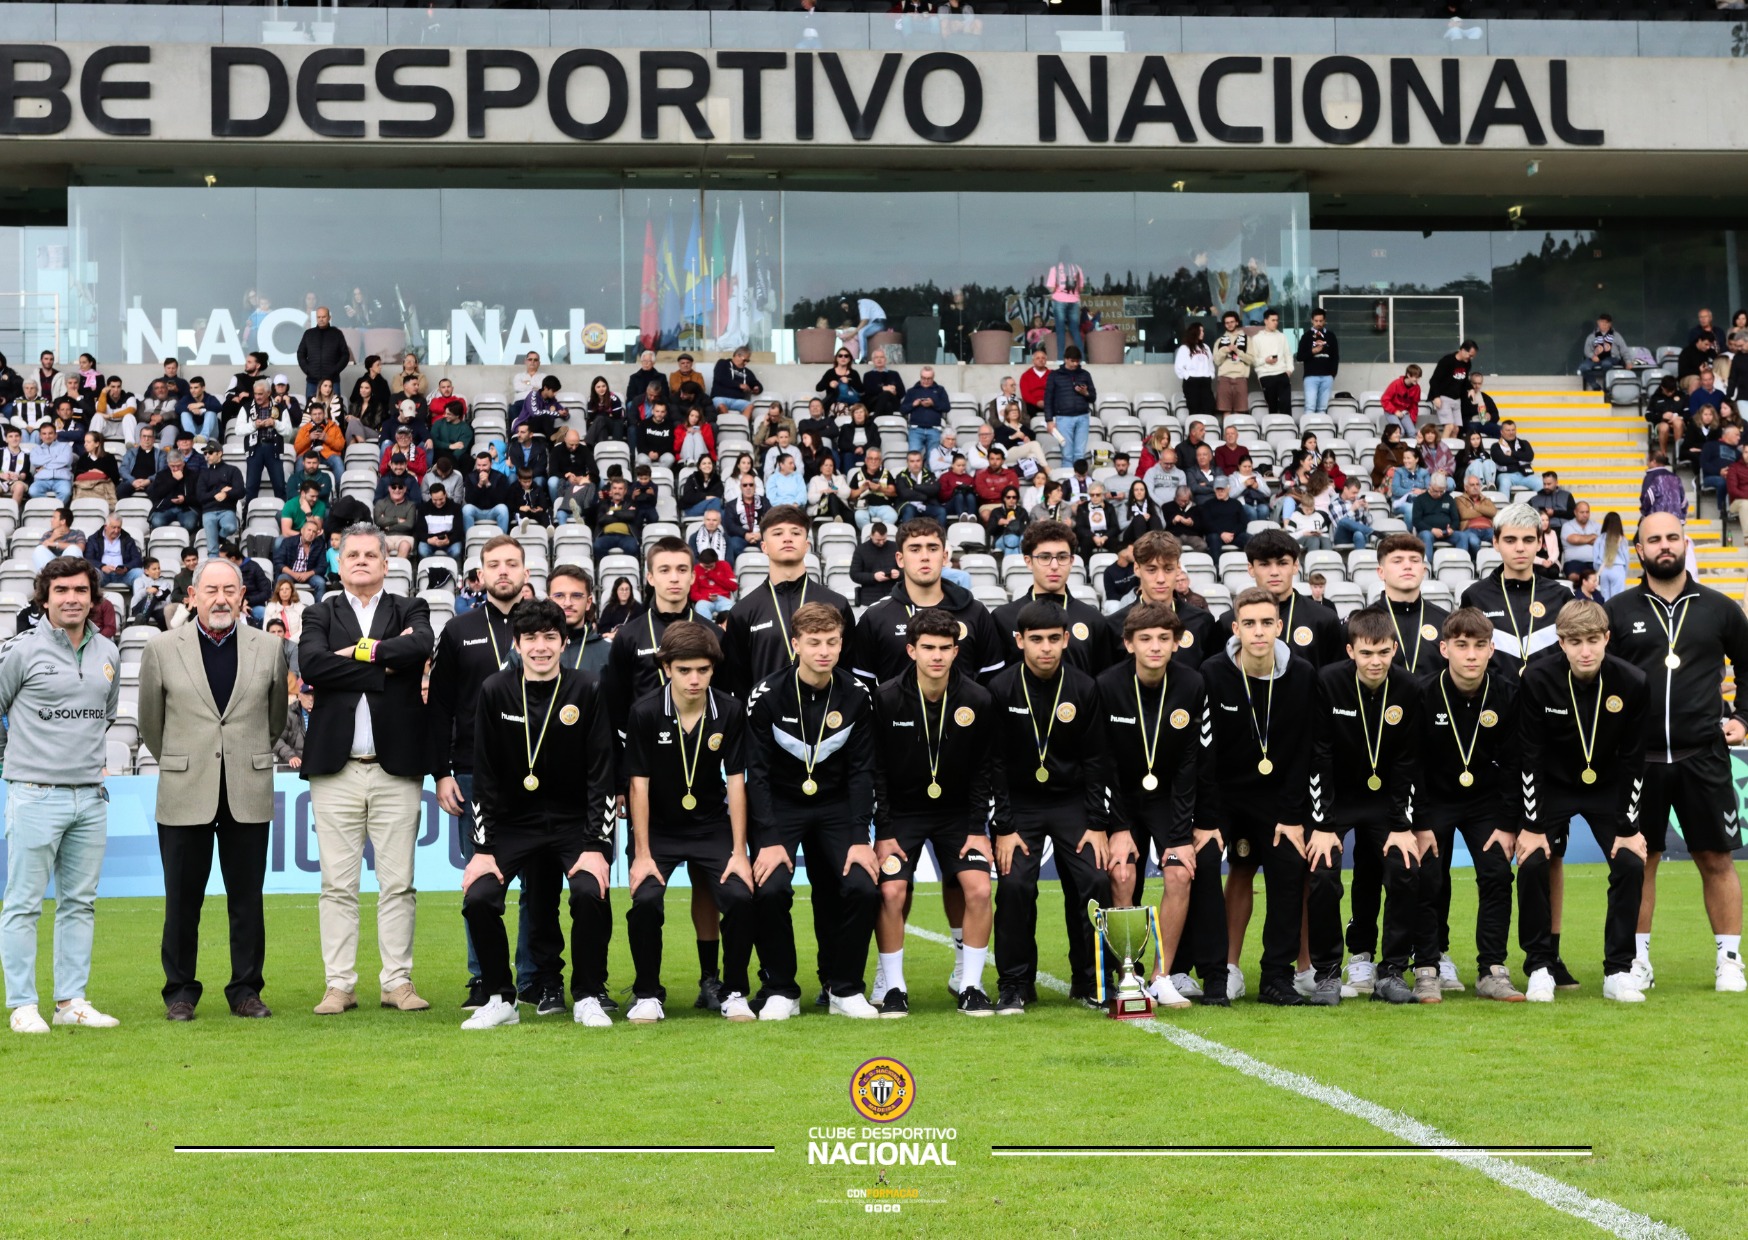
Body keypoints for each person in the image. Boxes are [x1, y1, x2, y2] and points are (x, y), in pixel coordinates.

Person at [137, 557, 289, 1020]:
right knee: (182, 901)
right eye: (211, 590)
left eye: (229, 590)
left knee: (247, 901)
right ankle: (180, 992)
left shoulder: (270, 648)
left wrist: (242, 754)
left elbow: (275, 720)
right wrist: (185, 760)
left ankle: (246, 991)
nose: (220, 599)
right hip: (185, 790)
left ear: (242, 596)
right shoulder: (161, 648)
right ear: (193, 596)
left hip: (247, 787)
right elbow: (151, 725)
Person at [1606, 512, 1748, 994]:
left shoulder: (1720, 608)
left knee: (1716, 858)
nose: (1664, 545)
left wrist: (1743, 718)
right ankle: (1636, 961)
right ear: (1639, 549)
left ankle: (1730, 961)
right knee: (1639, 860)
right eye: (1654, 540)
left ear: (1686, 543)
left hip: (1702, 755)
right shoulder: (1617, 610)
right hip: (1638, 761)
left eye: (1672, 537)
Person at [296, 524, 434, 1016]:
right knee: (337, 885)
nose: (360, 561)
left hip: (396, 769)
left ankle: (397, 982)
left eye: (369, 554)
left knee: (399, 884)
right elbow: (312, 666)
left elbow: (418, 648)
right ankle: (340, 985)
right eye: (351, 554)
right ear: (338, 562)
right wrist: (384, 664)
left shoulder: (411, 608)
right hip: (336, 770)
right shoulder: (318, 612)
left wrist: (355, 655)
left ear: (385, 562)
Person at [459, 600, 616, 1030]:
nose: (540, 647)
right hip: (514, 824)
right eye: (530, 638)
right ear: (517, 644)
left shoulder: (587, 688)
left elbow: (602, 774)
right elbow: (484, 775)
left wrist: (596, 845)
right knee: (479, 897)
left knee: (589, 892)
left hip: (574, 822)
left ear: (564, 643)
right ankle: (500, 998)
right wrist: (483, 849)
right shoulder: (495, 690)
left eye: (550, 638)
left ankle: (587, 994)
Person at [0, 557, 122, 1034]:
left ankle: (70, 1001)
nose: (72, 598)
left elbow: (106, 715)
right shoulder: (21, 650)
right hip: (34, 794)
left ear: (93, 598)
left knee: (79, 903)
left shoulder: (108, 651)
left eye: (80, 590)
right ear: (44, 598)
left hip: (90, 798)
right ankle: (22, 1004)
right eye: (61, 591)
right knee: (23, 904)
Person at [745, 603, 879, 1019]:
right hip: (781, 806)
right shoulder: (766, 695)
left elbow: (862, 771)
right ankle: (781, 989)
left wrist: (860, 837)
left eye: (832, 642)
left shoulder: (857, 695)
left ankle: (844, 988)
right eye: (814, 642)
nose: (824, 651)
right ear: (796, 644)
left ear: (841, 644)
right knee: (770, 889)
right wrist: (768, 838)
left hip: (837, 805)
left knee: (862, 886)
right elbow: (757, 774)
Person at [620, 621, 757, 1025]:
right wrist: (642, 854)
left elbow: (737, 783)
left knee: (739, 896)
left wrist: (740, 852)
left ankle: (731, 990)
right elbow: (638, 786)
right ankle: (648, 993)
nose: (694, 679)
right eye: (684, 670)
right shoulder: (645, 711)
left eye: (703, 669)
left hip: (710, 825)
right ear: (666, 668)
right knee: (646, 899)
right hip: (658, 828)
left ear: (713, 669)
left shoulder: (729, 710)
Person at [427, 535, 541, 1010]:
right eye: (494, 564)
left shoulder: (544, 625)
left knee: (538, 883)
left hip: (538, 769)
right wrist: (441, 773)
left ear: (526, 572)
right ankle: (483, 978)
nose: (503, 571)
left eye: (512, 563)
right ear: (480, 575)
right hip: (474, 772)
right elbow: (440, 706)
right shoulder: (459, 630)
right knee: (480, 878)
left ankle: (534, 977)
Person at [1516, 601, 1650, 1003]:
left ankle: (1618, 970)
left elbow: (1634, 759)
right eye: (1575, 642)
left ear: (1607, 638)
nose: (1585, 651)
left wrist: (1629, 828)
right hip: (1553, 785)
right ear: (1561, 643)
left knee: (1630, 861)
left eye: (1593, 640)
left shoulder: (1632, 681)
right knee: (1532, 860)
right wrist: (1532, 825)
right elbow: (1529, 755)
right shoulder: (1537, 678)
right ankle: (1540, 967)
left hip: (1607, 786)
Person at [869, 607, 999, 1017]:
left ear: (956, 651)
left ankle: (971, 985)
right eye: (928, 647)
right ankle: (893, 987)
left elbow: (983, 770)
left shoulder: (977, 698)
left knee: (979, 889)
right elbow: (876, 770)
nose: (937, 656)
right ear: (911, 650)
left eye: (945, 648)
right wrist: (884, 831)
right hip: (902, 815)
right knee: (891, 891)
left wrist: (977, 829)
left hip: (958, 815)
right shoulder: (886, 697)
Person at [1097, 603, 1227, 1008]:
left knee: (1179, 873)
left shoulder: (1192, 684)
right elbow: (1103, 763)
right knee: (1121, 874)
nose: (1155, 646)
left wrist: (1180, 835)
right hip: (1122, 799)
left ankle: (1161, 976)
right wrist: (1119, 828)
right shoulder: (1107, 685)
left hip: (1168, 797)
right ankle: (1126, 975)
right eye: (1146, 639)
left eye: (1163, 639)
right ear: (1129, 644)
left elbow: (1192, 763)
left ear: (1176, 643)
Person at [986, 602, 1114, 1013]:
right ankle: (1015, 984)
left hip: (1071, 802)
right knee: (1014, 886)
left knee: (1094, 880)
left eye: (1054, 639)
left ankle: (1092, 980)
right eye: (1036, 639)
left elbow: (1096, 760)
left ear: (1066, 639)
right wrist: (1004, 827)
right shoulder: (1000, 689)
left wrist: (1097, 823)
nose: (1046, 648)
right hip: (1020, 805)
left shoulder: (1084, 687)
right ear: (1019, 641)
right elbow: (995, 764)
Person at [1307, 607, 1430, 1006]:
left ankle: (1392, 970)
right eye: (1366, 653)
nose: (1375, 661)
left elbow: (1409, 761)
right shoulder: (1328, 682)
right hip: (1337, 801)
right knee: (1322, 870)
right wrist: (1323, 824)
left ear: (1394, 648)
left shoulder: (1409, 688)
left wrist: (1402, 825)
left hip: (1384, 802)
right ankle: (1327, 973)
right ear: (1350, 651)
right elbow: (1319, 755)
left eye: (1382, 652)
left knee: (1404, 866)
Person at [1203, 586, 1317, 1005]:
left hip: (1279, 798)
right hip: (1226, 796)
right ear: (1236, 628)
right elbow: (1206, 752)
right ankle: (1221, 971)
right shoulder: (1213, 673)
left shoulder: (1301, 674)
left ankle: (1276, 976)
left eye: (1267, 623)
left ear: (1279, 626)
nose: (1258, 631)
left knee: (1290, 868)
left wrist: (1291, 815)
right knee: (1215, 864)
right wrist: (1209, 819)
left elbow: (1304, 750)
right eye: (1249, 623)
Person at [1415, 608, 1525, 1001]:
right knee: (1429, 877)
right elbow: (1412, 763)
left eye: (1480, 645)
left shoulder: (1509, 693)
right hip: (1435, 802)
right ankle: (1426, 967)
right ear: (1445, 649)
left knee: (1497, 875)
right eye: (1462, 645)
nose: (1472, 655)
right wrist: (1420, 821)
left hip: (1486, 804)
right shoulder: (1423, 693)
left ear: (1492, 649)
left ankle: (1492, 970)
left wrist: (1508, 823)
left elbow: (1515, 763)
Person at [991, 520, 1118, 676]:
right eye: (1045, 557)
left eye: (1062, 557)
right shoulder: (1003, 617)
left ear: (1071, 561)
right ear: (1029, 562)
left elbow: (1102, 680)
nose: (1054, 566)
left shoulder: (1093, 619)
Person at [1217, 529, 1344, 667]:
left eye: (1282, 563)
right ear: (1251, 569)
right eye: (1264, 564)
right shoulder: (1228, 622)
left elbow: (1335, 675)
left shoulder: (1324, 619)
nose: (1274, 572)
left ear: (1295, 566)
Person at [1043, 346, 1097, 470]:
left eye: (1077, 361)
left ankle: (1078, 479)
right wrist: (1049, 420)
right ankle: (1067, 479)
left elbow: (1093, 397)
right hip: (1063, 417)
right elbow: (1048, 399)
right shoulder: (1054, 375)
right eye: (1072, 361)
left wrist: (1085, 393)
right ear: (1065, 359)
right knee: (1067, 454)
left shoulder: (1085, 374)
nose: (1075, 364)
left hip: (1082, 417)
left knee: (1079, 453)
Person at [196, 442, 245, 553]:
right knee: (212, 548)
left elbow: (241, 491)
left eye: (210, 452)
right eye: (205, 453)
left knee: (230, 527)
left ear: (219, 453)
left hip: (227, 509)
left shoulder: (233, 470)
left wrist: (227, 494)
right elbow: (200, 496)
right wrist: (220, 491)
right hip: (208, 511)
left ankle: (221, 538)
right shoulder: (204, 474)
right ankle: (214, 561)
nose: (207, 456)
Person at [296, 306, 352, 401]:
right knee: (311, 408)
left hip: (332, 381)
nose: (321, 319)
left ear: (329, 318)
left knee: (335, 407)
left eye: (324, 317)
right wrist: (308, 370)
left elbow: (345, 355)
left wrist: (335, 370)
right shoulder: (309, 334)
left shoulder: (337, 333)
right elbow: (301, 354)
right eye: (319, 317)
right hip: (312, 381)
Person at [900, 365, 949, 461]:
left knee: (933, 460)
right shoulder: (912, 391)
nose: (926, 381)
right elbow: (902, 410)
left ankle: (929, 471)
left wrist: (933, 404)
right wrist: (913, 404)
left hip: (934, 429)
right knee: (914, 457)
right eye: (923, 378)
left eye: (929, 378)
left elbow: (947, 407)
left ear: (933, 378)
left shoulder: (940, 390)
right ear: (920, 377)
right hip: (915, 429)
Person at [1250, 309, 1293, 417]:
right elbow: (1254, 360)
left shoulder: (1282, 336)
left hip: (1282, 373)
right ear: (1266, 321)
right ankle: (1273, 426)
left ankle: (1287, 426)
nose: (1276, 322)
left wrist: (1289, 370)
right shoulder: (1256, 338)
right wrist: (1265, 360)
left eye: (1277, 320)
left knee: (1286, 405)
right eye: (1273, 320)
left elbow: (1288, 354)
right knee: (1272, 406)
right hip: (1266, 375)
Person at [1429, 340, 1479, 434]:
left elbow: (1464, 379)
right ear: (1463, 350)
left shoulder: (1467, 363)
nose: (1471, 358)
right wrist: (1436, 396)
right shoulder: (1447, 361)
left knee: (1456, 429)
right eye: (1470, 355)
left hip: (1456, 399)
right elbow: (1434, 380)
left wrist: (1471, 388)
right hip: (1444, 397)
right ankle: (1443, 444)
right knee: (1449, 426)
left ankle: (1452, 444)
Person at [1410, 472, 1461, 562]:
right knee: (1426, 535)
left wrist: (1452, 528)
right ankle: (1428, 565)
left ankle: (1460, 563)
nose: (1439, 494)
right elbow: (1416, 521)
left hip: (1446, 533)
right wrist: (1432, 529)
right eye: (1436, 491)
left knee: (1462, 536)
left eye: (1442, 491)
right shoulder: (1420, 499)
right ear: (1430, 486)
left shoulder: (1448, 498)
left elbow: (1456, 519)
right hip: (1428, 531)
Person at [1045, 250, 1085, 359]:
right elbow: (1081, 288)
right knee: (1075, 330)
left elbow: (1051, 288)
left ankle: (1060, 358)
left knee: (1060, 330)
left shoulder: (1055, 268)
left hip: (1059, 300)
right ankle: (1082, 358)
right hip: (1074, 300)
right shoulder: (1077, 268)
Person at [849, 520, 899, 606]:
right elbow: (854, 574)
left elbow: (906, 569)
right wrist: (874, 577)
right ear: (871, 535)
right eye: (878, 540)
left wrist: (899, 574)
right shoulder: (861, 550)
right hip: (869, 598)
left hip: (892, 596)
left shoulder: (895, 547)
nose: (881, 542)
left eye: (884, 539)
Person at [1173, 323, 1215, 420]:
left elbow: (1210, 363)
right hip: (1192, 382)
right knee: (1194, 409)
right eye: (1200, 331)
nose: (1202, 333)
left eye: (1203, 331)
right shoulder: (1184, 348)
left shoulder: (1206, 347)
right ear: (1194, 332)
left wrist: (1210, 375)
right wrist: (1188, 376)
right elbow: (1179, 367)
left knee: (1209, 408)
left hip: (1205, 381)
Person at [1578, 314, 1627, 391]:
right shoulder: (1592, 336)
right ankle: (1595, 386)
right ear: (1598, 322)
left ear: (1610, 324)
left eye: (1606, 322)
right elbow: (1587, 350)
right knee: (1583, 367)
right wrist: (1592, 356)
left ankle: (1607, 387)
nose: (1603, 324)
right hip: (1596, 358)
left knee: (1606, 364)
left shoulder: (1616, 336)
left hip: (1611, 358)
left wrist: (1628, 361)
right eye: (1601, 322)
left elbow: (1624, 350)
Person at [1453, 474, 1497, 556]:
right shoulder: (1459, 499)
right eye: (1472, 485)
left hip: (1488, 529)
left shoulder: (1486, 499)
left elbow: (1493, 512)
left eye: (1477, 484)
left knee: (1500, 539)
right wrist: (1484, 512)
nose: (1475, 487)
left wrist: (1476, 507)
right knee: (1474, 542)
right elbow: (1464, 514)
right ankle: (1479, 559)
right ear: (1466, 487)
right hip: (1470, 529)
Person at [710, 347, 763, 415]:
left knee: (750, 406)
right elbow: (719, 378)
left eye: (748, 361)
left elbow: (756, 383)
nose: (746, 363)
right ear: (738, 355)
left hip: (737, 400)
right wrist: (739, 385)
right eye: (745, 360)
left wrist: (757, 388)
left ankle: (743, 422)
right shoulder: (723, 363)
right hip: (720, 397)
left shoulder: (747, 372)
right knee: (721, 407)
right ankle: (727, 422)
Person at [1490, 420, 1535, 495]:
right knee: (1504, 483)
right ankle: (1504, 503)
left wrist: (1512, 453)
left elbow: (1530, 456)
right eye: (1508, 430)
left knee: (1540, 483)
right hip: (1505, 475)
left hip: (1524, 474)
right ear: (1501, 432)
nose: (1511, 432)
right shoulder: (1495, 446)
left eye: (1513, 430)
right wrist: (1520, 459)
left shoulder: (1524, 443)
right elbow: (1502, 460)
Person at [839, 295, 888, 362]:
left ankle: (864, 358)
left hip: (879, 322)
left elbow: (864, 321)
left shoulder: (862, 304)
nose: (846, 310)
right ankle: (853, 358)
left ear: (850, 303)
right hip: (873, 324)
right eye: (844, 309)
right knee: (859, 332)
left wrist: (851, 334)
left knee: (861, 332)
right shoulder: (858, 308)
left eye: (846, 308)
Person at [1639, 452, 1687, 519]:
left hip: (1657, 518)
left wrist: (1645, 513)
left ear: (1654, 462)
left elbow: (1647, 498)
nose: (1647, 464)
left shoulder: (1651, 477)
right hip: (1675, 518)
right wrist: (1682, 517)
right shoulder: (1676, 478)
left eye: (1648, 461)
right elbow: (1683, 501)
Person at [1380, 365, 1423, 437]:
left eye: (1419, 377)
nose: (1417, 380)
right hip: (1391, 411)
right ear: (1408, 375)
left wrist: (1412, 420)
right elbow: (1384, 400)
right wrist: (1395, 411)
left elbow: (1414, 405)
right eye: (1415, 377)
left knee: (1412, 432)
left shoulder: (1417, 388)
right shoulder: (1396, 383)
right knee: (1400, 432)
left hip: (1404, 412)